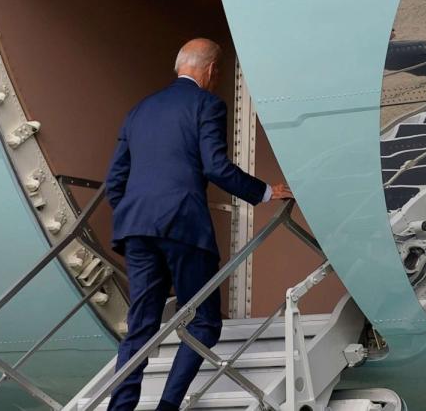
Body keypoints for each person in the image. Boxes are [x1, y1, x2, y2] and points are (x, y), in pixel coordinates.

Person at [104, 38, 291, 411]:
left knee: (141, 325)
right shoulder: (207, 104)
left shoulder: (140, 110)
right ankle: (168, 407)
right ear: (209, 71)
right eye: (218, 72)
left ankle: (119, 409)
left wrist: (136, 213)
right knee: (203, 321)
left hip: (136, 228)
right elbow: (215, 167)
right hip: (184, 226)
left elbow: (115, 181)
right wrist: (267, 192)